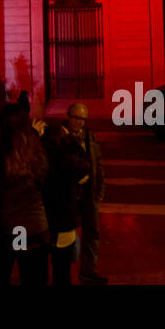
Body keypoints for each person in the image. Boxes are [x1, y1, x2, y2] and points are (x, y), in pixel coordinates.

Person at [0, 105, 51, 285]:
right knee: (34, 279)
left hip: (6, 229)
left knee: (1, 278)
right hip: (35, 228)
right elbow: (46, 186)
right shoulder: (38, 152)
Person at [43, 101, 107, 284]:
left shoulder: (89, 137)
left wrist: (99, 190)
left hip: (88, 194)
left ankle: (88, 269)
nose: (80, 122)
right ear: (69, 117)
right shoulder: (58, 138)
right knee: (65, 237)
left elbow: (98, 165)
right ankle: (63, 271)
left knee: (92, 233)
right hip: (68, 197)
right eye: (77, 118)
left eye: (83, 119)